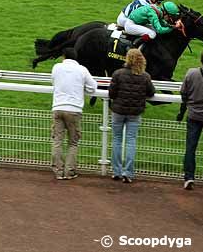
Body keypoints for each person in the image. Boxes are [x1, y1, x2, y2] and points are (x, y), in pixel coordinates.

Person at [108, 49, 155, 183]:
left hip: (118, 111)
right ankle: (128, 173)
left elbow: (111, 93)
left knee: (117, 139)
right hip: (135, 113)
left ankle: (116, 172)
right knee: (130, 141)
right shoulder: (145, 76)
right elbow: (151, 92)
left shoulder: (118, 74)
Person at [50, 47, 98, 180]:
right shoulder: (82, 69)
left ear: (64, 57)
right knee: (73, 142)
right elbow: (93, 87)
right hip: (74, 110)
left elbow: (53, 82)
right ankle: (69, 171)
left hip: (58, 108)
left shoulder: (56, 67)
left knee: (57, 141)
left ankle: (58, 171)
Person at [178, 49, 203, 190]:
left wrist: (182, 112)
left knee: (190, 147)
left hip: (193, 115)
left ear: (201, 60)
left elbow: (183, 93)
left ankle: (189, 177)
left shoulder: (191, 73)